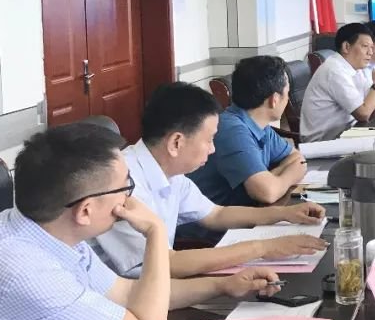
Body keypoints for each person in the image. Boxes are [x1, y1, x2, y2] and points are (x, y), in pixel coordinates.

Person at [0, 124, 281, 320]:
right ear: (85, 211)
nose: (130, 197)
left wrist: (222, 285)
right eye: (125, 187)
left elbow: (128, 293)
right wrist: (155, 231)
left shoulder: (50, 230)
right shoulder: (29, 272)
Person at [91, 83, 327, 278]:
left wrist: (284, 214)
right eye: (209, 140)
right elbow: (165, 264)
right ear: (176, 143)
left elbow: (216, 214)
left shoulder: (170, 172)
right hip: (118, 303)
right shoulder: (122, 185)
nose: (213, 149)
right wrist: (263, 248)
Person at [188, 56, 306, 207]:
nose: (287, 99)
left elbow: (297, 158)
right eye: (287, 93)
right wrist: (285, 175)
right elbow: (267, 193)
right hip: (219, 220)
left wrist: (272, 178)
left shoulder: (260, 126)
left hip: (245, 213)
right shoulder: (232, 130)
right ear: (275, 99)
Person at [301, 23, 375, 142]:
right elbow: (363, 114)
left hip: (348, 130)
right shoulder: (334, 71)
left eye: (372, 47)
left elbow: (373, 109)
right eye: (365, 46)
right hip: (325, 141)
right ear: (346, 47)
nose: (370, 52)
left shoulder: (355, 68)